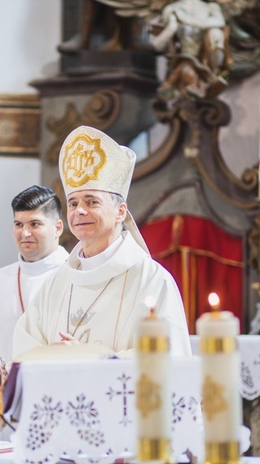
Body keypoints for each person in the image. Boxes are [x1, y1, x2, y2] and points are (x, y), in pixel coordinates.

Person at [12, 126, 192, 360]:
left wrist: (91, 359)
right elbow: (25, 346)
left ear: (120, 211)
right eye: (73, 203)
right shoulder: (58, 281)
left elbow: (165, 359)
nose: (80, 211)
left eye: (92, 201)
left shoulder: (151, 280)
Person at [0, 186, 69, 440]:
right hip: (5, 421)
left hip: (62, 418)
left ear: (58, 228)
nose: (25, 233)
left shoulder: (78, 277)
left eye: (35, 223)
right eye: (18, 224)